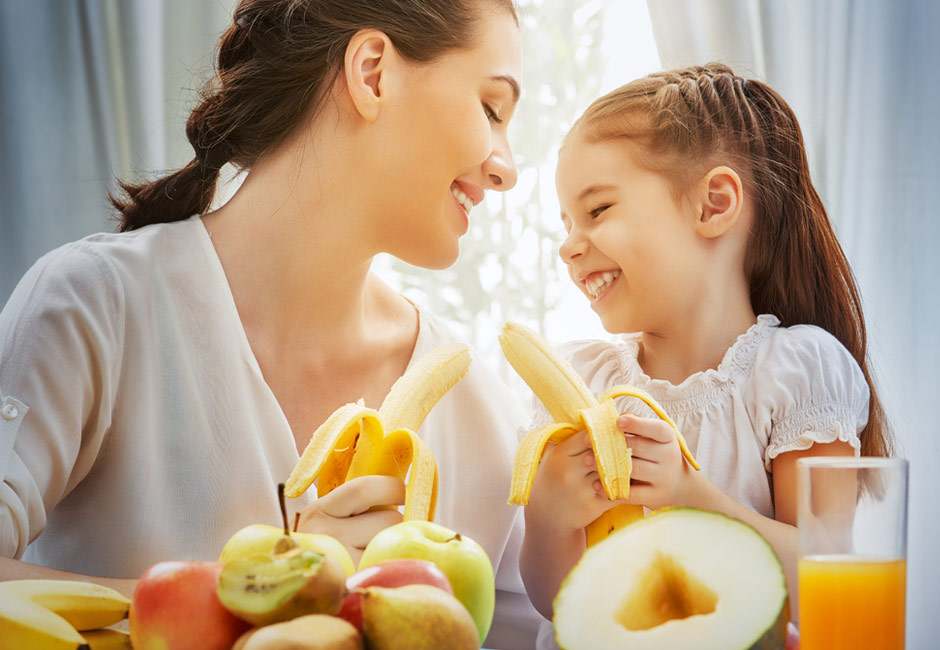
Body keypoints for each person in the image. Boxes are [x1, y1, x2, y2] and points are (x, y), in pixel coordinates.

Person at [0, 0, 541, 645]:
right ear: (373, 74)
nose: (506, 166)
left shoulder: (475, 404)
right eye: (490, 108)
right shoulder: (95, 306)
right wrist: (261, 586)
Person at [519, 62, 893, 645]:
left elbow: (825, 574)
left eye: (597, 211)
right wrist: (548, 517)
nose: (569, 246)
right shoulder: (582, 380)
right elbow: (554, 601)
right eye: (566, 222)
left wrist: (688, 495)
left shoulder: (795, 374)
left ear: (713, 204)